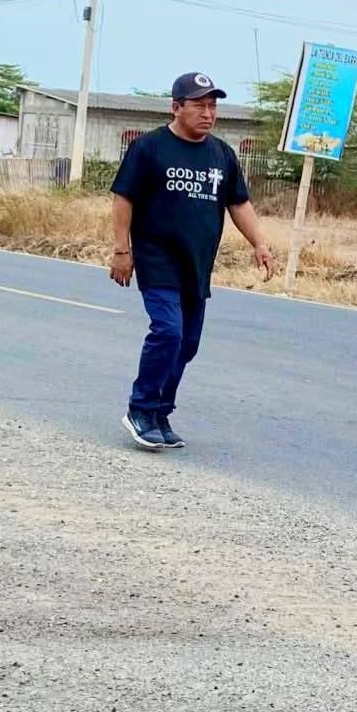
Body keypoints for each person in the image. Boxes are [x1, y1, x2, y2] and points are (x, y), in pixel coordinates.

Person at [110, 72, 274, 450]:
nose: (208, 113)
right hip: (157, 258)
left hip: (197, 264)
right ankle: (140, 409)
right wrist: (122, 250)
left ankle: (160, 412)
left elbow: (238, 203)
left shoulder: (222, 154)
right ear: (176, 107)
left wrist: (259, 243)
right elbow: (123, 199)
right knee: (168, 331)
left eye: (212, 106)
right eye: (199, 105)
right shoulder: (149, 148)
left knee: (187, 343)